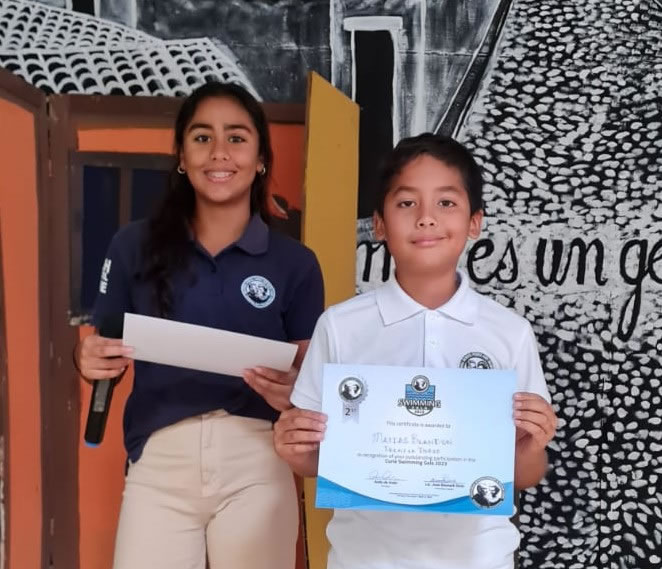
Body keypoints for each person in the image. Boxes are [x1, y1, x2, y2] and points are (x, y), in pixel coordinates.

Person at [274, 133, 557, 569]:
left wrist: (533, 444)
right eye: (407, 203)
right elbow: (315, 459)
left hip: (478, 560)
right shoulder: (341, 326)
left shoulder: (508, 333)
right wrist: (295, 448)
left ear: (475, 222)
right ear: (379, 224)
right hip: (364, 560)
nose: (426, 218)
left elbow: (525, 473)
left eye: (446, 203)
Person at [74, 81, 324, 569]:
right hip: (158, 457)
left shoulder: (295, 263)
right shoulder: (132, 246)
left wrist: (295, 390)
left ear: (261, 159)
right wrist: (88, 360)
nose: (219, 153)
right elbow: (104, 353)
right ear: (182, 157)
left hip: (258, 457)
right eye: (202, 137)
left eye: (237, 138)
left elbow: (310, 383)